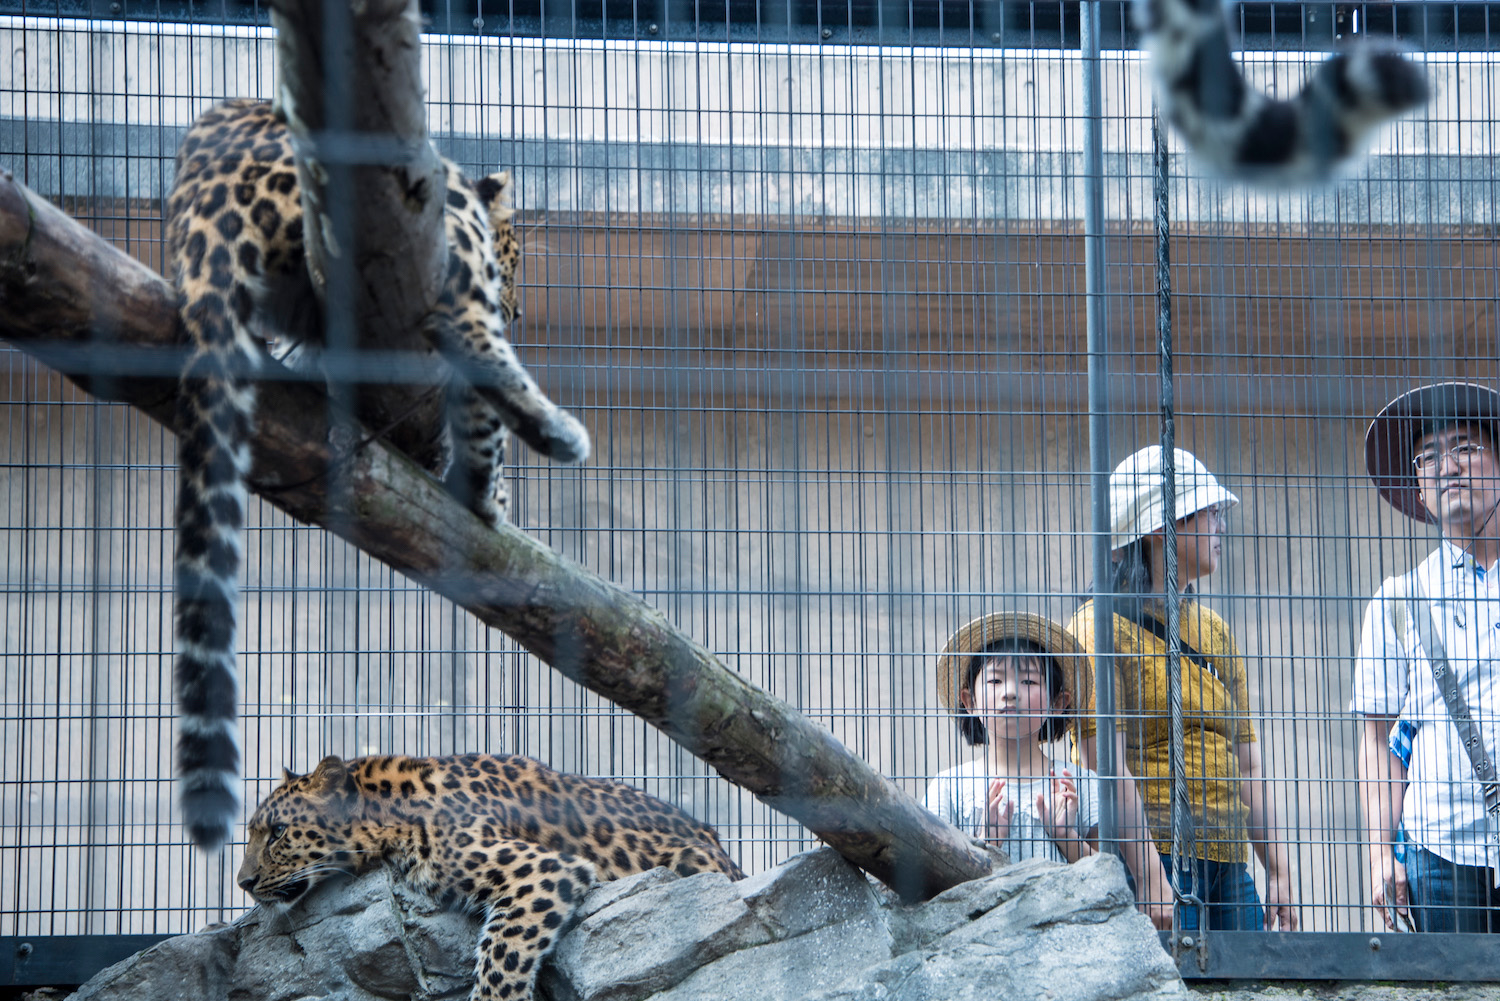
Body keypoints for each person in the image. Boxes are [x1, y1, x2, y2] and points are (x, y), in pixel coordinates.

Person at [1067, 446, 1298, 932]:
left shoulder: (1215, 631)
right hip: (1152, 855)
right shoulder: (1096, 630)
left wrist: (1277, 868)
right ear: (1158, 526)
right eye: (1208, 512)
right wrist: (1150, 876)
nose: (1220, 526)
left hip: (1230, 863)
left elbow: (1247, 758)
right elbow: (1102, 764)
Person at [1354, 382, 1500, 933]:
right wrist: (1378, 856)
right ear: (1418, 487)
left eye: (1464, 447)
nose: (1447, 467)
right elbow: (1377, 739)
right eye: (1429, 457)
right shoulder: (1397, 600)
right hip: (1437, 851)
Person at [924, 612, 1101, 865]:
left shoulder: (1080, 785)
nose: (1010, 692)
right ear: (969, 701)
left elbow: (1107, 877)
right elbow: (931, 877)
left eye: (1028, 681)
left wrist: (1066, 836)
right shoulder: (948, 789)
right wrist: (985, 845)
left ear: (1058, 703)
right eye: (995, 680)